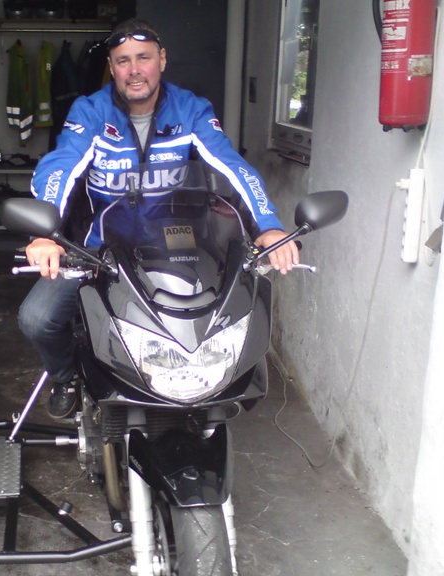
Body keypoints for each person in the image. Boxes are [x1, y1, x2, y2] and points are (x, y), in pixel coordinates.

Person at [19, 18, 299, 418]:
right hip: (100, 250)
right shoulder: (91, 111)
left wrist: (269, 226)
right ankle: (65, 376)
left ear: (162, 60)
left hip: (174, 244)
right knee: (37, 318)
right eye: (123, 61)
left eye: (144, 58)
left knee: (222, 314)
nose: (134, 70)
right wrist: (45, 232)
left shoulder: (190, 109)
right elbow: (59, 167)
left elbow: (233, 166)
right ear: (112, 67)